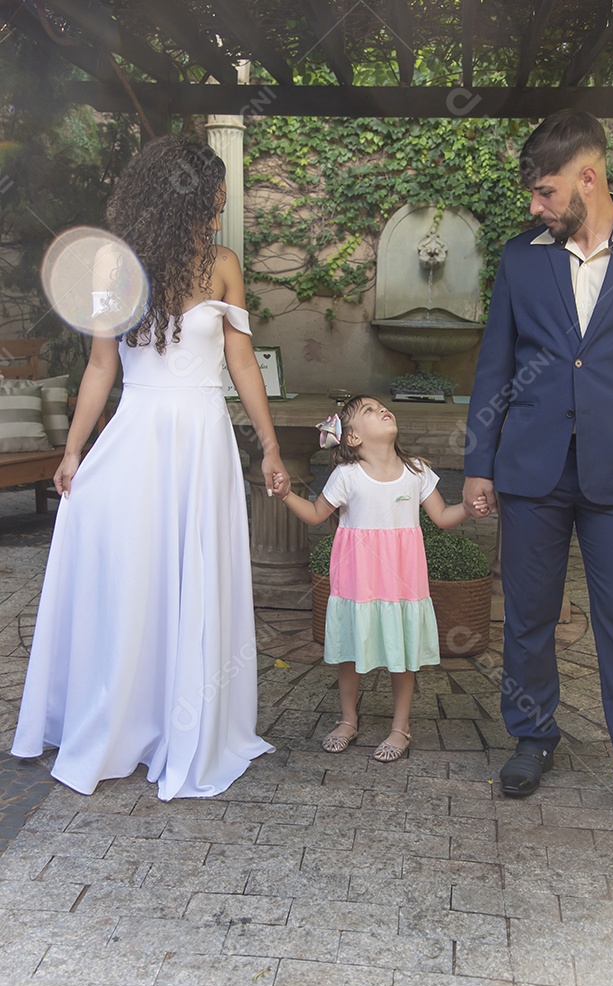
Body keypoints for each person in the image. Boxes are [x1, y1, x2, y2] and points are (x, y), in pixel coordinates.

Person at [12, 134, 291, 800]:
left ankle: (187, 722)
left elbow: (243, 362)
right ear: (183, 198)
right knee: (137, 577)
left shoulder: (223, 264)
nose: (220, 210)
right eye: (215, 197)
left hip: (203, 438)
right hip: (137, 436)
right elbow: (101, 367)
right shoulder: (115, 271)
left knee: (195, 571)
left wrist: (271, 444)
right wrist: (73, 451)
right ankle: (126, 718)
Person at [462, 111, 613, 841]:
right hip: (530, 470)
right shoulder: (521, 257)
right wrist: (478, 463)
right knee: (528, 619)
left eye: (543, 192)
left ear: (587, 178)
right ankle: (532, 739)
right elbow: (494, 367)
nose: (534, 207)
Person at [275, 396, 482, 761]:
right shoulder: (347, 476)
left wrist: (467, 508)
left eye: (381, 406)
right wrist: (287, 493)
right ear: (352, 437)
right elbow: (315, 514)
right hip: (358, 580)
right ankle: (348, 720)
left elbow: (442, 517)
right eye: (369, 411)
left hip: (402, 580)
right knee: (351, 652)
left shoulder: (416, 471)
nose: (382, 410)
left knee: (401, 653)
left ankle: (400, 728)